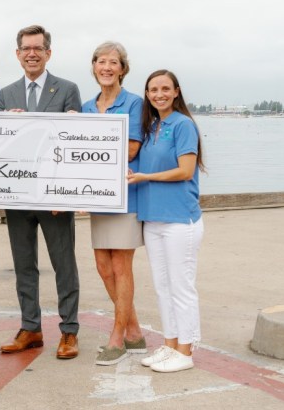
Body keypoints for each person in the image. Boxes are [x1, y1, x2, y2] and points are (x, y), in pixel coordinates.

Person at [0, 24, 82, 359]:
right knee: (23, 265)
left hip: (54, 195)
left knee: (64, 264)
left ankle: (69, 331)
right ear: (17, 54)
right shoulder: (7, 94)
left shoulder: (67, 90)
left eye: (38, 48)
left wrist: (67, 195)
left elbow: (74, 145)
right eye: (26, 48)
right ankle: (30, 327)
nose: (32, 53)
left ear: (48, 52)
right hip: (17, 194)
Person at [128, 69, 205, 373]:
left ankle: (186, 350)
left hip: (179, 221)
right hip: (153, 220)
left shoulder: (184, 125)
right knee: (162, 286)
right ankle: (170, 343)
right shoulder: (151, 126)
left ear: (176, 91)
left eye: (164, 89)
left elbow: (185, 171)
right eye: (152, 90)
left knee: (181, 286)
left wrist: (146, 176)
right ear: (147, 95)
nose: (158, 94)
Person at [81, 42, 146, 366]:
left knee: (121, 267)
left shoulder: (133, 103)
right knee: (104, 268)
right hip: (98, 199)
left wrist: (94, 156)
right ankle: (134, 332)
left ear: (122, 68)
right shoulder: (85, 107)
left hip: (125, 198)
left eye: (114, 62)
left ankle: (117, 337)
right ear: (94, 66)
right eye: (101, 61)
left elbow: (132, 149)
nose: (107, 67)